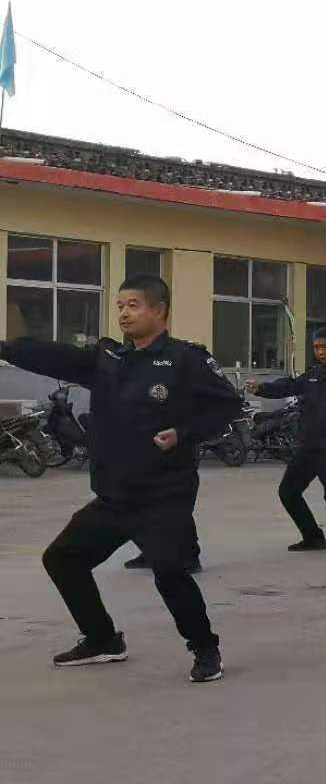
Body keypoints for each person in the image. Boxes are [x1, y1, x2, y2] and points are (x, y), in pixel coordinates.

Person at [1, 273, 241, 681]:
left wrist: (183, 433)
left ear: (159, 310)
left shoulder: (186, 359)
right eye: (120, 306)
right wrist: (6, 348)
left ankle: (205, 648)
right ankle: (102, 639)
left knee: (169, 571)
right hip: (114, 495)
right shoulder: (108, 359)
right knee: (62, 558)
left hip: (163, 494)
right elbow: (52, 356)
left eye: (133, 305)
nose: (124, 313)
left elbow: (228, 406)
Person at [246, 327, 326, 555]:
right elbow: (289, 386)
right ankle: (313, 537)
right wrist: (262, 388)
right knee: (288, 491)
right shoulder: (313, 374)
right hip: (308, 444)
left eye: (325, 347)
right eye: (316, 348)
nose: (320, 352)